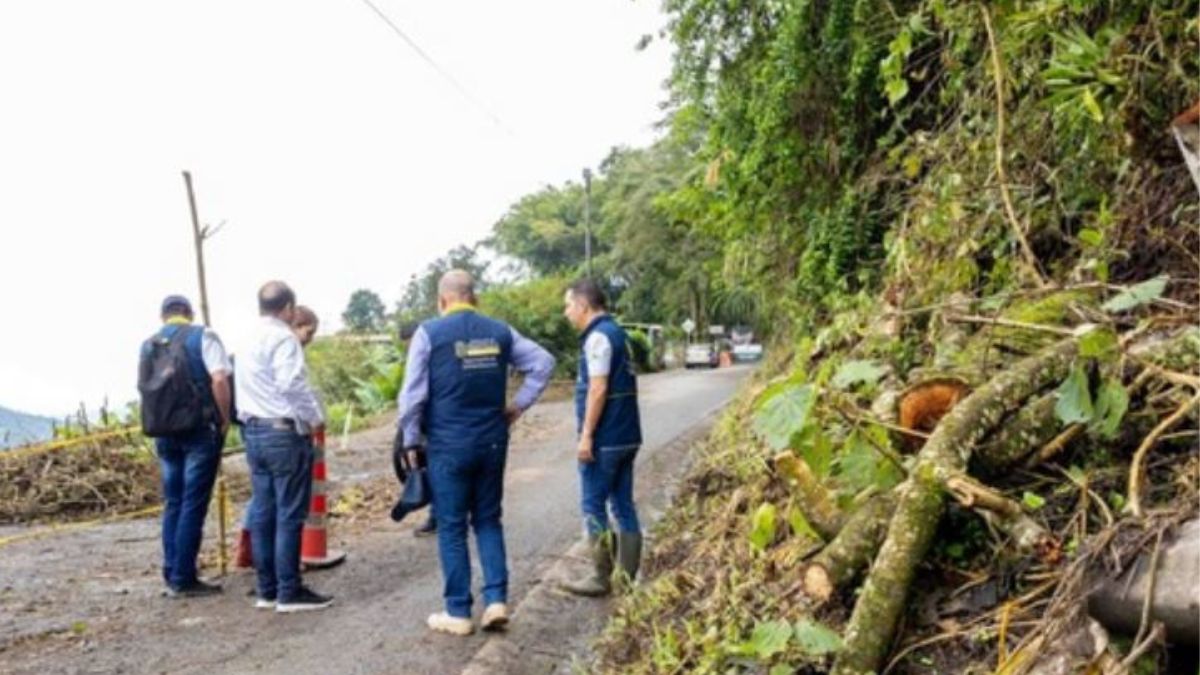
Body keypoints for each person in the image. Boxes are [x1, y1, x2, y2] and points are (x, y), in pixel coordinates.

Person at [396, 269, 555, 636]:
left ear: (442, 300)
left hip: (448, 445)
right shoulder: (500, 331)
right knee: (487, 519)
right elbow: (543, 363)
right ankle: (497, 601)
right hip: (492, 441)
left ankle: (458, 612)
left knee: (451, 527)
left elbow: (412, 396)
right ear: (475, 298)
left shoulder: (428, 334)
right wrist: (517, 406)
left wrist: (409, 440)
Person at [235, 281, 332, 613]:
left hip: (254, 432)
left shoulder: (245, 337)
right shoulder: (283, 337)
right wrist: (315, 417)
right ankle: (290, 590)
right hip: (283, 432)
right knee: (290, 513)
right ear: (289, 307)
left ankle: (267, 589)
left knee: (264, 512)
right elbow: (290, 382)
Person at [138, 294, 233, 598]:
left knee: (174, 503)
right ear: (188, 313)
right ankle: (184, 577)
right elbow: (219, 379)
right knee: (193, 503)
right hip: (198, 430)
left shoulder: (149, 344)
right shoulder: (202, 335)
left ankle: (172, 571)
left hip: (164, 431)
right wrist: (224, 418)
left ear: (162, 315)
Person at [560, 279, 644, 597]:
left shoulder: (597, 338)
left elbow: (598, 388)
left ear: (583, 306)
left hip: (605, 439)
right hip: (628, 435)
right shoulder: (619, 334)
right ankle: (625, 578)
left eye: (569, 306)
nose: (567, 313)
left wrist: (586, 437)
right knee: (624, 505)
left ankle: (600, 576)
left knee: (593, 505)